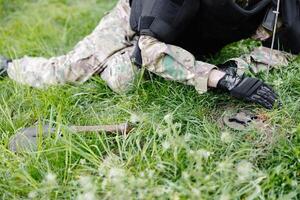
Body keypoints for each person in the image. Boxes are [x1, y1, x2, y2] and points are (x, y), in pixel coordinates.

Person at [0, 0, 299, 109]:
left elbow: (281, 43)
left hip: (187, 36)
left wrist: (238, 66)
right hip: (135, 26)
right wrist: (221, 80)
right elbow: (150, 48)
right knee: (74, 71)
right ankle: (10, 67)